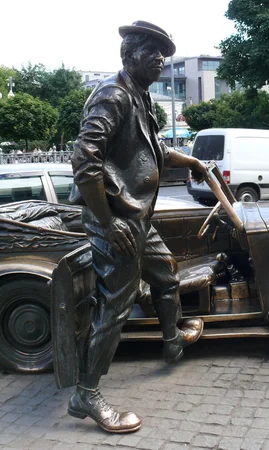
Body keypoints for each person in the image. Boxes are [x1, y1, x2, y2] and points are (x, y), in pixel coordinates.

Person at [67, 20, 208, 434]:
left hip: (138, 218)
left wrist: (193, 162)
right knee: (115, 307)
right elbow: (85, 161)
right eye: (153, 51)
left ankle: (172, 339)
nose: (162, 59)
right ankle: (86, 394)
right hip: (119, 223)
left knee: (166, 272)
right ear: (130, 55)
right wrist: (108, 224)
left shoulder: (140, 97)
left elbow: (155, 149)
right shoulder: (112, 96)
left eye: (164, 52)